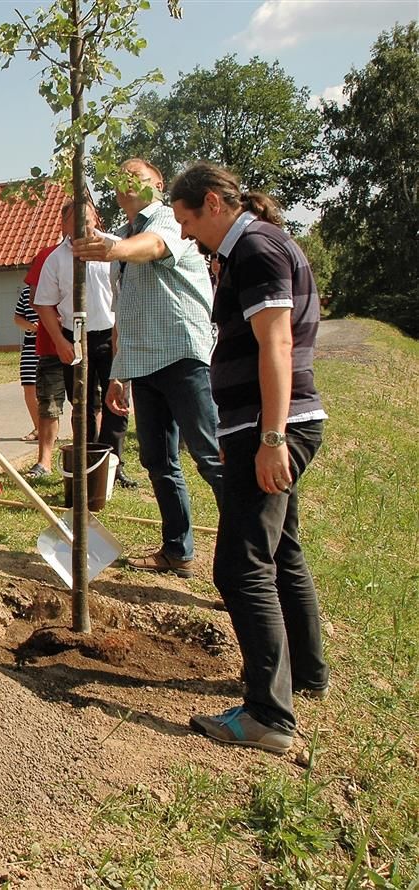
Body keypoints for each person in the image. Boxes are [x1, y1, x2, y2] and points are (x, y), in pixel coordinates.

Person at [171, 162, 328, 754]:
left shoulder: (257, 248)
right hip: (276, 424)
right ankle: (306, 676)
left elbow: (277, 342)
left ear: (213, 203)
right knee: (282, 549)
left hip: (266, 430)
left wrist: (270, 437)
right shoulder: (257, 247)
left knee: (240, 567)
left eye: (186, 219)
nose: (185, 234)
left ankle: (269, 715)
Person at [73, 158, 222, 577]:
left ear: (157, 182)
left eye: (134, 177)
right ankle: (178, 551)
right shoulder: (121, 237)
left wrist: (114, 250)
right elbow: (126, 310)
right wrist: (120, 372)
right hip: (145, 364)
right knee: (158, 460)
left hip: (184, 356)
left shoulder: (172, 221)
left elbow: (155, 248)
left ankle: (251, 556)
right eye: (117, 182)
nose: (125, 187)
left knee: (211, 457)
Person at [32, 200, 132, 487]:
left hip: (112, 336)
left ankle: (115, 464)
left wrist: (123, 336)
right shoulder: (56, 258)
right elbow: (44, 305)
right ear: (63, 225)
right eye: (76, 221)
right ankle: (88, 461)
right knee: (82, 403)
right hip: (75, 338)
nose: (83, 226)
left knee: (118, 401)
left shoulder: (115, 247)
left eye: (87, 220)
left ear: (96, 219)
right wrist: (61, 342)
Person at [13, 284, 42, 442]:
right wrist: (31, 326)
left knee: (52, 390)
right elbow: (18, 317)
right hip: (31, 345)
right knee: (29, 387)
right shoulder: (26, 292)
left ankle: (51, 429)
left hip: (53, 346)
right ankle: (38, 428)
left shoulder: (57, 287)